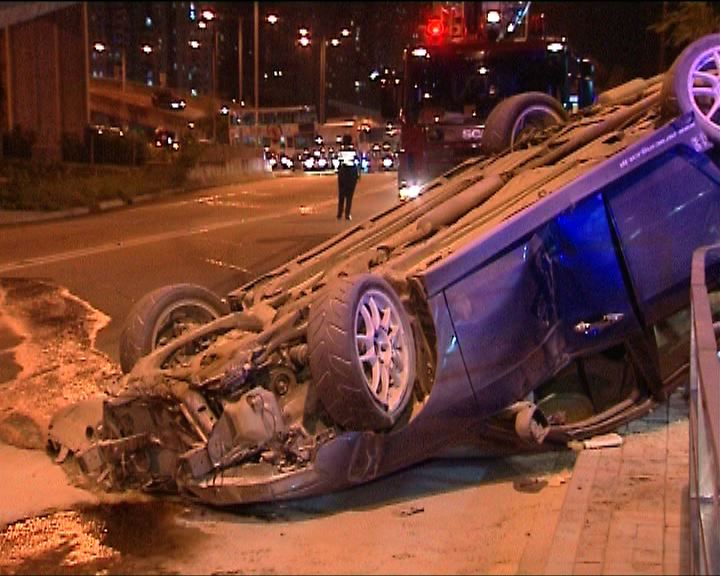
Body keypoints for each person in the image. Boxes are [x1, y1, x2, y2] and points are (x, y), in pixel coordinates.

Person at [336, 133, 360, 220]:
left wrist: (338, 170)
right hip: (351, 172)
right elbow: (357, 161)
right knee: (349, 195)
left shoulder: (341, 150)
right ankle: (347, 213)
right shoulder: (353, 150)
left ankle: (339, 213)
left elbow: (338, 161)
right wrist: (358, 174)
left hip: (342, 172)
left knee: (341, 194)